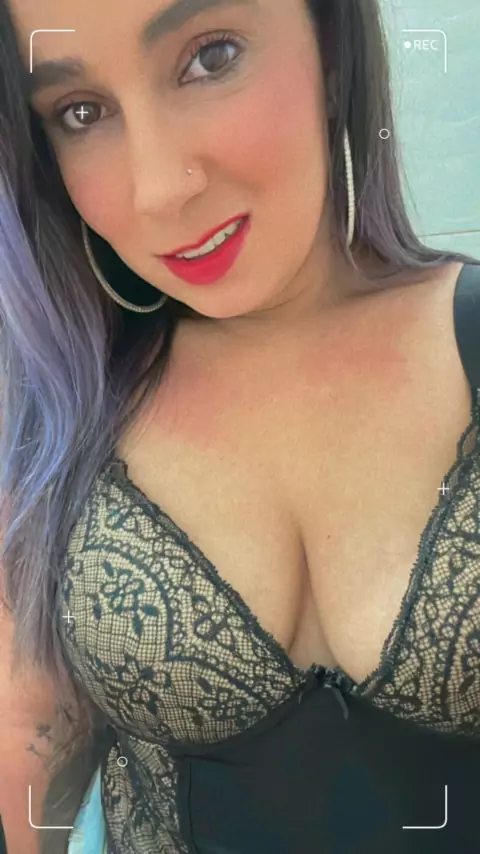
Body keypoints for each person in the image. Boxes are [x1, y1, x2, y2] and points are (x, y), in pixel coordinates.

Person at [0, 0, 479, 852]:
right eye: (81, 112)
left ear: (330, 45)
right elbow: (25, 751)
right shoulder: (57, 426)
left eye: (211, 57)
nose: (159, 187)